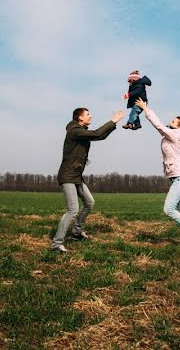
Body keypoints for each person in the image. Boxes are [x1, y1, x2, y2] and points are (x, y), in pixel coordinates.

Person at [51, 106, 126, 253]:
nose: (90, 116)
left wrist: (113, 124)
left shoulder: (81, 131)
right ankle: (56, 244)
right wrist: (113, 120)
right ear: (80, 118)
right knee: (73, 210)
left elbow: (100, 136)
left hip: (76, 176)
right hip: (68, 176)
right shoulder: (74, 131)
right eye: (88, 114)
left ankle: (76, 233)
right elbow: (97, 133)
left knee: (89, 202)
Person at [134, 97, 180, 251]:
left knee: (169, 209)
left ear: (179, 126)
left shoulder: (176, 134)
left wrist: (146, 109)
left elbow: (158, 125)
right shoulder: (172, 134)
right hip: (176, 177)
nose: (170, 121)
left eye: (174, 120)